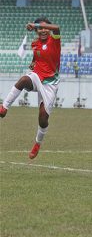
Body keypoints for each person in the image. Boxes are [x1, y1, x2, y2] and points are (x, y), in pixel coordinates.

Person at [0, 17, 61, 159]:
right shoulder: (35, 44)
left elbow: (57, 27)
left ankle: (37, 143)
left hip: (50, 83)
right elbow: (37, 57)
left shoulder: (55, 40)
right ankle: (4, 107)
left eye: (46, 28)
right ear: (37, 31)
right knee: (23, 80)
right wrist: (33, 63)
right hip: (37, 76)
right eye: (41, 29)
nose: (44, 30)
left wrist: (35, 25)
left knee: (43, 119)